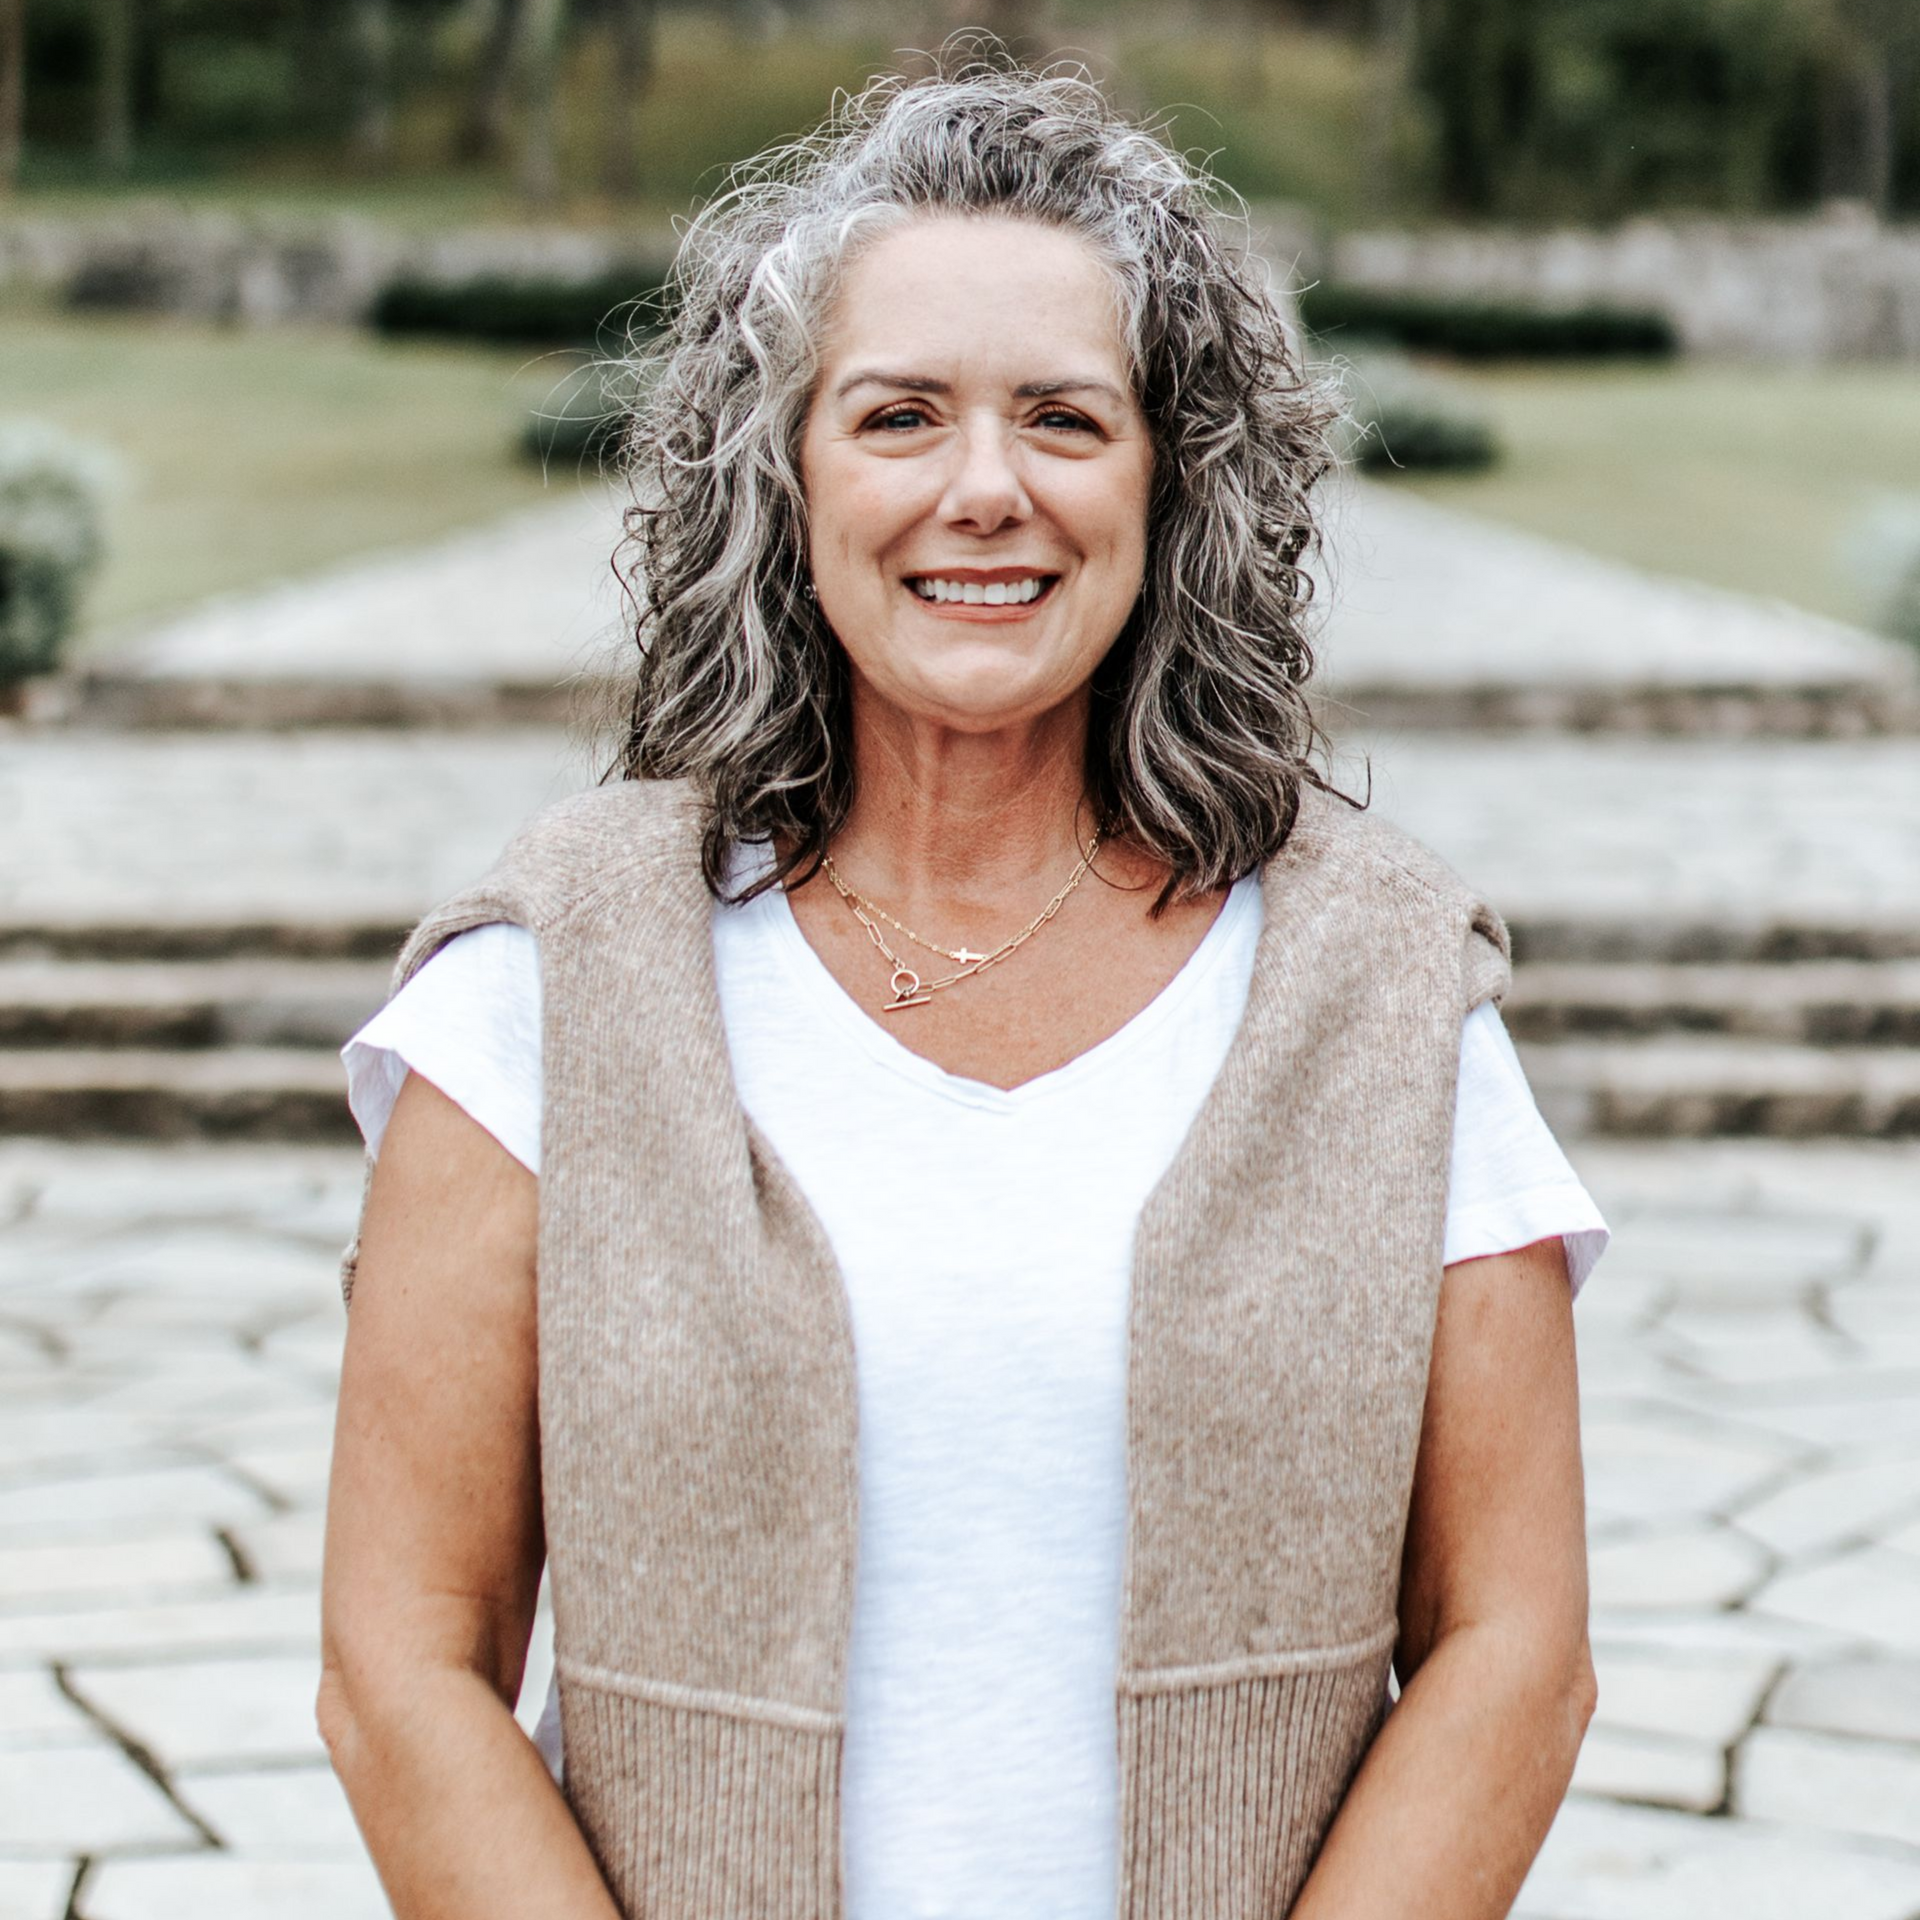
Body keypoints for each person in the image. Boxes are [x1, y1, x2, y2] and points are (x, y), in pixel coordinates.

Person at [318, 52, 1606, 1920]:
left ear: (1171, 488)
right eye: (900, 415)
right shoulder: (545, 990)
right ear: (790, 473)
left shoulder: (1385, 992)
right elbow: (399, 1664)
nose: (984, 490)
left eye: (1065, 422)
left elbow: (1514, 1652)